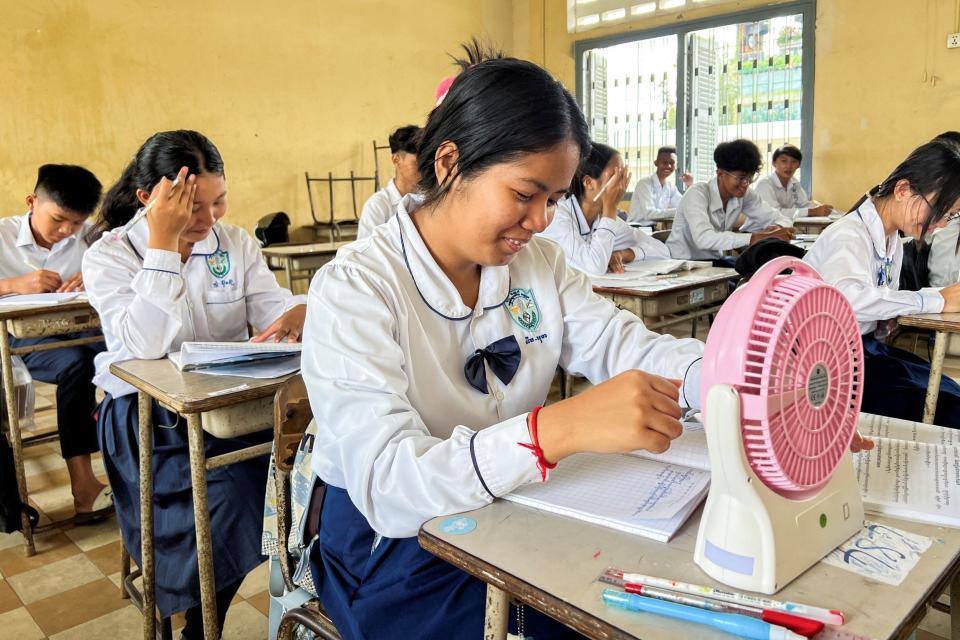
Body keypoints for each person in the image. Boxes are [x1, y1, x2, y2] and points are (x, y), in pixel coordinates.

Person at [301, 49, 707, 640]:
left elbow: (624, 343)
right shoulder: (357, 286)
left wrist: (733, 379)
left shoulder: (538, 263)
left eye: (554, 199)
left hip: (511, 504)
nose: (541, 220)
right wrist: (551, 433)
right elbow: (388, 484)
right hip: (389, 542)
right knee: (577, 620)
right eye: (525, 193)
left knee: (640, 594)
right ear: (449, 163)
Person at [82, 130, 307, 637]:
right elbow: (141, 345)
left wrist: (297, 310)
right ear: (149, 199)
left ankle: (206, 615)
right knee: (237, 493)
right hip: (146, 418)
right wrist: (163, 246)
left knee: (287, 482)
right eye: (191, 206)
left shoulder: (236, 243)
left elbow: (272, 311)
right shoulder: (111, 255)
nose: (208, 220)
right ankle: (191, 614)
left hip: (230, 409)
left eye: (219, 201)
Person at [804, 137, 960, 427]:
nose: (940, 225)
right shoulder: (849, 234)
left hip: (862, 350)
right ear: (903, 190)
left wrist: (885, 321)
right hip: (825, 364)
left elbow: (876, 301)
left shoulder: (893, 241)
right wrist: (937, 298)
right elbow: (847, 300)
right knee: (946, 404)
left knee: (947, 388)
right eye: (939, 212)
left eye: (950, 216)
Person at [0, 163, 111, 523]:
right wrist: (13, 285)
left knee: (126, 360)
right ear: (32, 201)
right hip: (23, 341)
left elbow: (124, 275)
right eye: (59, 219)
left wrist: (94, 275)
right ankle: (83, 485)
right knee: (76, 365)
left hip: (80, 329)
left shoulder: (92, 238)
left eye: (76, 223)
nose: (67, 232)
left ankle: (141, 463)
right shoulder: (1, 236)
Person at [540, 141, 670, 275]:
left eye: (623, 175)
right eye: (615, 175)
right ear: (588, 182)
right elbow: (593, 267)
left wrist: (625, 254)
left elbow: (662, 250)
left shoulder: (603, 218)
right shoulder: (558, 216)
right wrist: (610, 208)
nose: (622, 184)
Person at [666, 139, 795, 262]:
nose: (746, 183)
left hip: (713, 263)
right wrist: (754, 237)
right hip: (682, 264)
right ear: (720, 173)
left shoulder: (744, 194)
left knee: (766, 271)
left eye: (750, 177)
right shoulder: (697, 193)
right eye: (741, 177)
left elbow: (781, 218)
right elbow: (704, 239)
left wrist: (777, 229)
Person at [358, 125, 421, 239]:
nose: (424, 169)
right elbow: (367, 254)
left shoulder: (428, 199)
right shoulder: (377, 206)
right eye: (417, 163)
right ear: (396, 160)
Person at [753, 144, 833, 219]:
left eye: (793, 162)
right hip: (755, 231)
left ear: (798, 165)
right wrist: (811, 211)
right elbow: (775, 213)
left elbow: (804, 204)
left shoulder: (794, 183)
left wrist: (822, 209)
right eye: (784, 161)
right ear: (774, 163)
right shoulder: (765, 184)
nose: (789, 166)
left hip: (779, 228)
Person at [627, 145, 692, 225]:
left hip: (654, 230)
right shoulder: (644, 183)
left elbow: (685, 206)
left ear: (676, 165)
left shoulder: (670, 187)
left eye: (672, 163)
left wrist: (689, 185)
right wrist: (678, 211)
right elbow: (649, 214)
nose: (668, 166)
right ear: (656, 163)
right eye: (664, 162)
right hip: (637, 228)